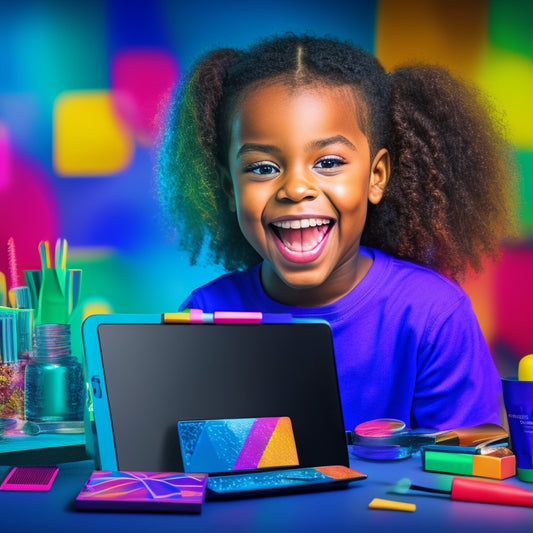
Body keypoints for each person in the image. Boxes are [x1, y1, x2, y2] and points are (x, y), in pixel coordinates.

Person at [157, 33, 516, 432]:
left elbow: (471, 461)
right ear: (229, 188)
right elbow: (184, 454)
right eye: (262, 168)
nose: (295, 189)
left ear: (375, 176)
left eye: (328, 161)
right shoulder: (204, 314)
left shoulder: (434, 315)